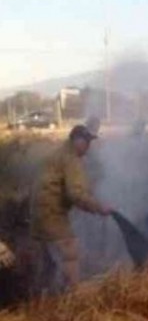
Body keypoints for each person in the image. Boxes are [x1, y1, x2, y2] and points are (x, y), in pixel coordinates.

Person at [29, 124, 112, 293]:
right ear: (77, 140)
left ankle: (42, 295)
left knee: (48, 260)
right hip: (52, 214)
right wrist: (99, 207)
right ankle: (74, 295)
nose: (89, 146)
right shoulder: (71, 159)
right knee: (69, 252)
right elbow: (76, 194)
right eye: (87, 141)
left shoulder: (57, 153)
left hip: (38, 214)